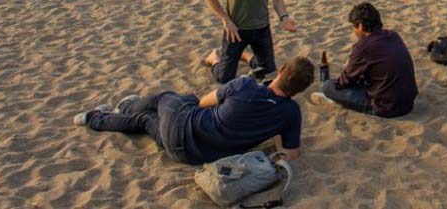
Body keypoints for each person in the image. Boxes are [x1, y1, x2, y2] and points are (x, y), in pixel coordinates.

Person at [74, 57, 314, 165]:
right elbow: (290, 153)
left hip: (184, 126)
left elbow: (203, 103)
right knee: (145, 121)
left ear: (280, 70)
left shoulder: (245, 85)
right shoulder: (291, 113)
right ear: (300, 90)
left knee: (165, 98)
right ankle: (93, 117)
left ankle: (122, 105)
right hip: (191, 155)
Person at [311, 3, 418, 118]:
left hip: (385, 107)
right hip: (408, 104)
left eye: (355, 27)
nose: (355, 31)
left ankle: (335, 101)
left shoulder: (364, 46)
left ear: (360, 26)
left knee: (328, 86)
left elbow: (345, 81)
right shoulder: (393, 35)